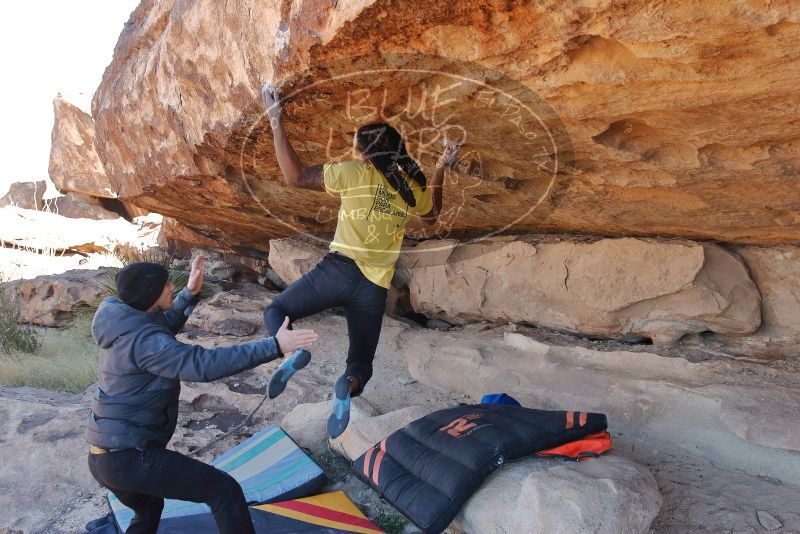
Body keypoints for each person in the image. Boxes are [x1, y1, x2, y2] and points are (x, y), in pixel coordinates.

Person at [260, 83, 460, 438]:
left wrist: (275, 119)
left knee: (278, 311)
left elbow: (295, 176)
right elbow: (432, 215)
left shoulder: (354, 174)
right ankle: (346, 385)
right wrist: (442, 166)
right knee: (361, 363)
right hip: (373, 288)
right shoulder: (410, 189)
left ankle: (290, 355)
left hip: (337, 271)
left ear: (366, 156)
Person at [86, 256, 317, 534]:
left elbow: (157, 331)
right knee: (223, 490)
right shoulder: (146, 343)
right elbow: (204, 364)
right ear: (150, 294)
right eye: (166, 285)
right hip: (130, 458)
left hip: (103, 457)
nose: (172, 287)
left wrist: (188, 295)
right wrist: (275, 345)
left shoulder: (120, 320)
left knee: (149, 508)